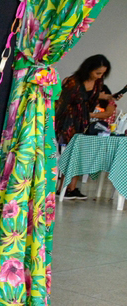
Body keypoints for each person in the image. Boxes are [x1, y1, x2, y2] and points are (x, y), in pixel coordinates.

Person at [56, 55, 114, 199]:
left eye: (103, 74)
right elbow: (61, 104)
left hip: (84, 121)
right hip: (68, 122)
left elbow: (92, 100)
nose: (100, 76)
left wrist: (106, 97)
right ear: (88, 69)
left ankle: (71, 188)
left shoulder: (98, 83)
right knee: (70, 153)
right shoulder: (73, 82)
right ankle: (62, 188)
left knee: (80, 154)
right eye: (97, 73)